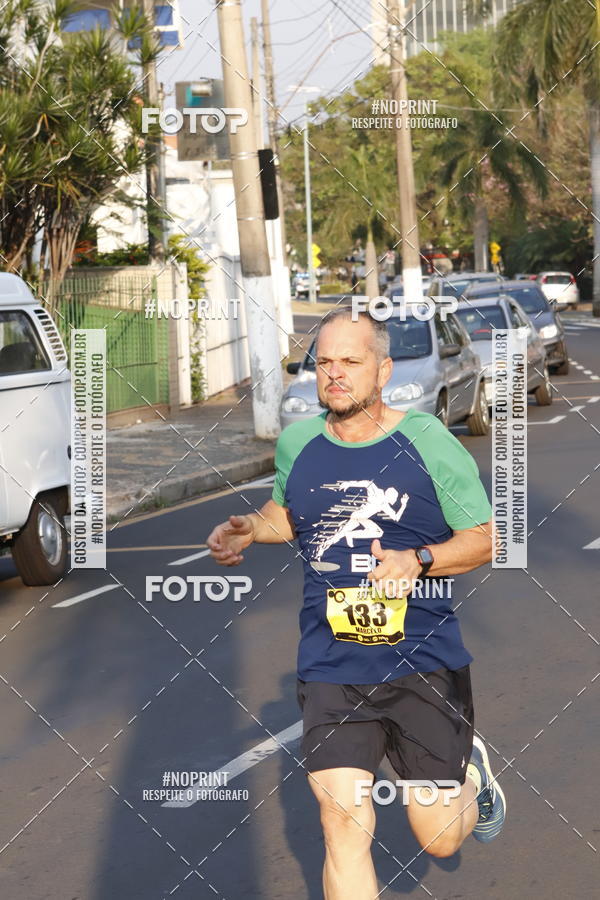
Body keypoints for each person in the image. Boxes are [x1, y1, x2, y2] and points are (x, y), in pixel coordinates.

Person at [207, 308, 506, 899]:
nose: (335, 374)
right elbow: (291, 518)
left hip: (423, 664)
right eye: (325, 362)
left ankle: (471, 773)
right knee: (341, 823)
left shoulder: (426, 442)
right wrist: (251, 528)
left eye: (351, 361)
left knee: (439, 836)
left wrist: (416, 560)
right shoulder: (299, 443)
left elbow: (486, 539)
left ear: (383, 370)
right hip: (332, 665)